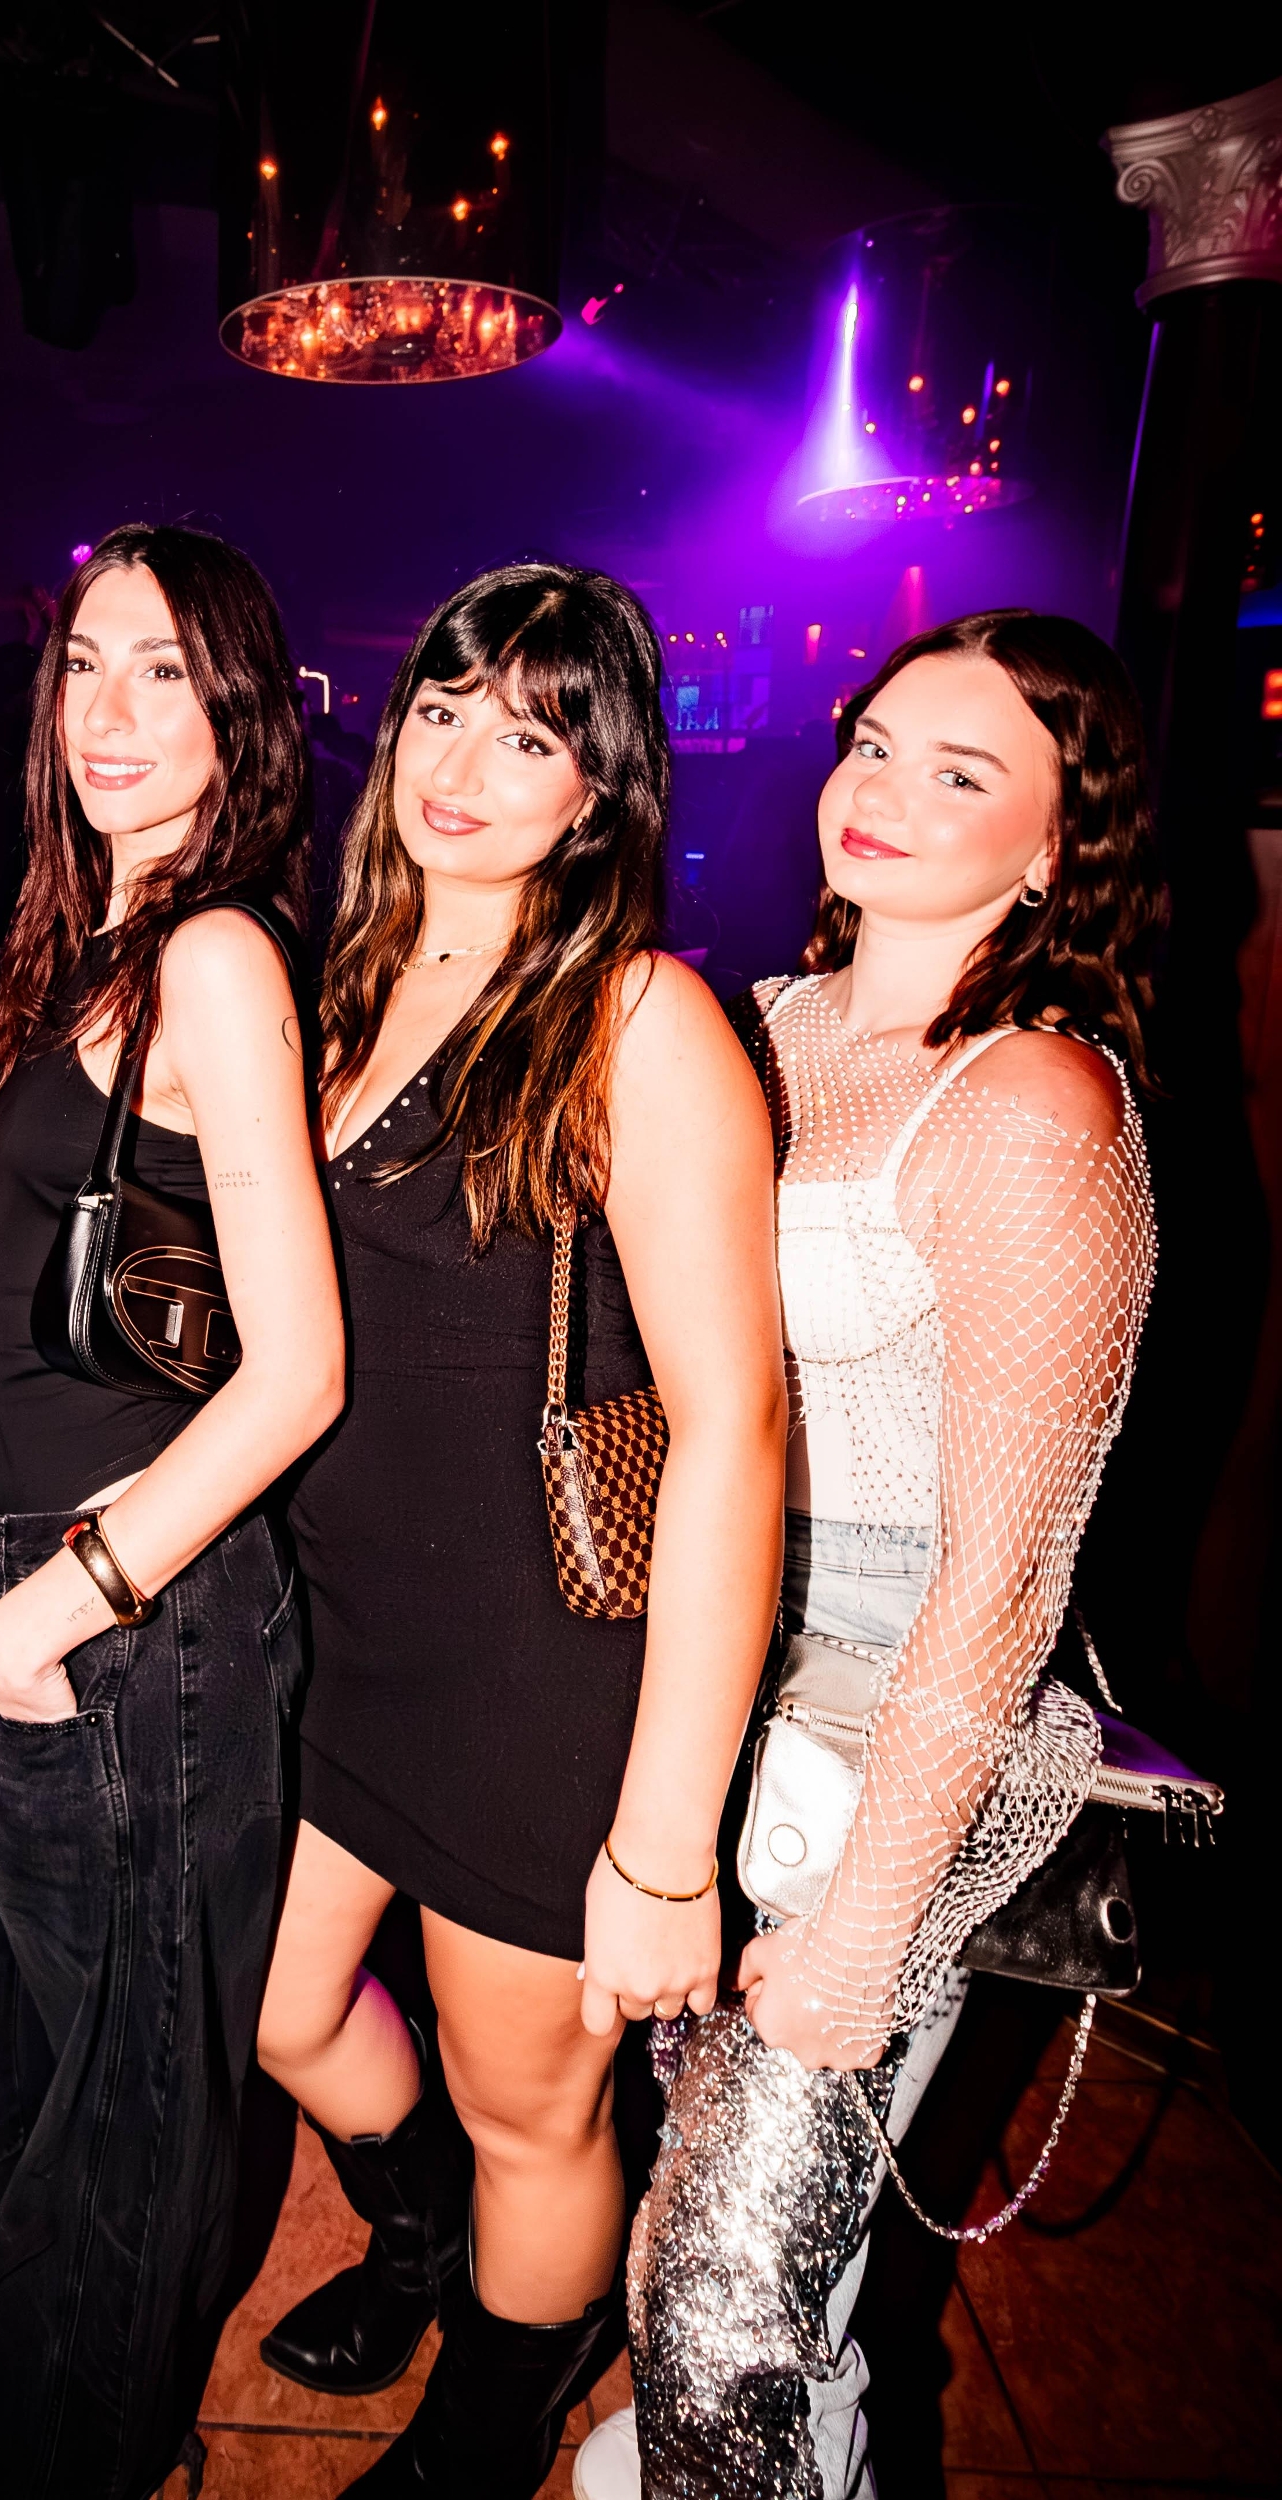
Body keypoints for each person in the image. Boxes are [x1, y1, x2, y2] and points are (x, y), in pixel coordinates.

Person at [575, 609, 1161, 2499]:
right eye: (877, 743)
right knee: (696, 2238)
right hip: (711, 1652)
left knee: (729, 2309)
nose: (885, 791)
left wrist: (863, 1933)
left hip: (885, 1705)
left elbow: (1007, 1580)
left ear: (1058, 844)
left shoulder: (1034, 1103)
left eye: (962, 771)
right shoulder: (767, 1022)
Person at [253, 563, 788, 2497]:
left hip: (528, 1677)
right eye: (444, 709)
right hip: (337, 1641)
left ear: (601, 790)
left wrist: (665, 1844)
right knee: (275, 2003)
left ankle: (483, 2428)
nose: (464, 764)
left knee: (527, 2109)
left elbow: (734, 1430)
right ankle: (419, 2242)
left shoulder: (636, 1017)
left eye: (531, 735)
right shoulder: (342, 985)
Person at [0, 524, 346, 2498]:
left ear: (239, 715)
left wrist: (56, 1603)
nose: (109, 711)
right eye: (85, 662)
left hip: (125, 1612)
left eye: (165, 671)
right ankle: (90, 2385)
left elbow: (299, 1367)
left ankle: (71, 2447)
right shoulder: (74, 931)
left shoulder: (215, 954)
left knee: (125, 2116)